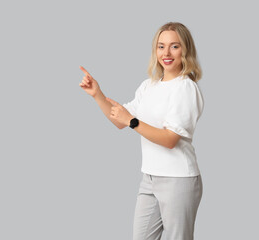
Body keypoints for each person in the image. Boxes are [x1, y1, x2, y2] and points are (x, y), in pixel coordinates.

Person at [79, 21, 204, 240]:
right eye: (161, 46)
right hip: (149, 178)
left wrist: (133, 121)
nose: (166, 52)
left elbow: (170, 139)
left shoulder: (186, 88)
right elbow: (119, 120)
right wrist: (97, 95)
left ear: (185, 50)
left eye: (174, 46)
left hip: (178, 179)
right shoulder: (149, 86)